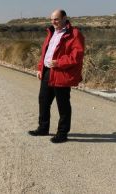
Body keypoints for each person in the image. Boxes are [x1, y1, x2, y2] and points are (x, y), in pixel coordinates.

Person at [28, 9, 85, 143]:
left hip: (61, 73)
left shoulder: (75, 34)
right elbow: (45, 52)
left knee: (63, 104)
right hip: (47, 72)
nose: (53, 22)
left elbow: (76, 56)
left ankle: (62, 133)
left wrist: (59, 63)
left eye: (56, 19)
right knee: (43, 101)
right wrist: (40, 68)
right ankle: (43, 128)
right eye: (52, 19)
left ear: (65, 18)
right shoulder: (51, 32)